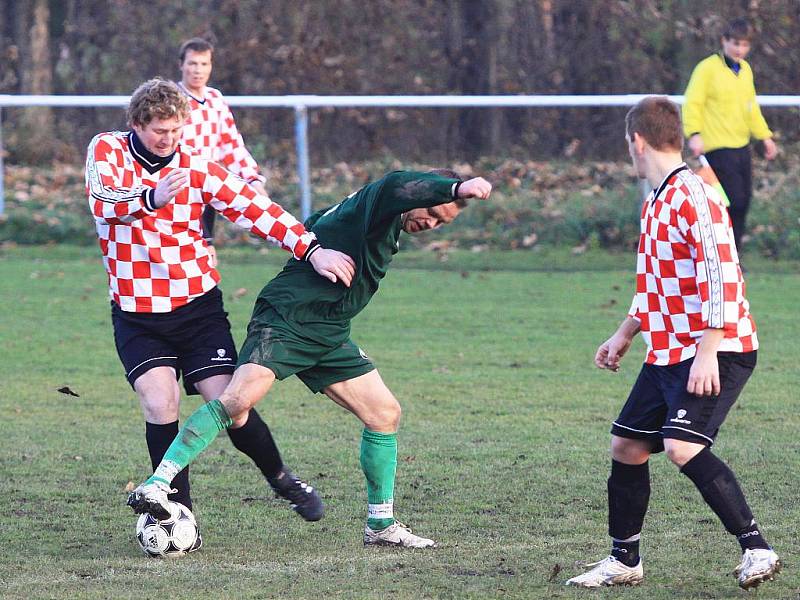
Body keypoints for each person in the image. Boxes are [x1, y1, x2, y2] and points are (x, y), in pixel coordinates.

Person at [127, 169, 492, 548]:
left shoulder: (360, 211)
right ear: (420, 195)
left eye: (439, 223)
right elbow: (394, 182)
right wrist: (458, 187)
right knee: (235, 403)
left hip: (328, 330)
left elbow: (314, 225)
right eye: (431, 214)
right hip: (288, 319)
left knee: (385, 414)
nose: (429, 225)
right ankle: (157, 485)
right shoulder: (381, 202)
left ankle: (381, 525)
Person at [86, 78, 355, 542]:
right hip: (137, 312)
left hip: (197, 309)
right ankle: (176, 509)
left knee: (231, 406)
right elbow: (103, 201)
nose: (167, 140)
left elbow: (258, 211)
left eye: (175, 131)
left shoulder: (198, 169)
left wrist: (311, 249)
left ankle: (281, 479)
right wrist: (151, 198)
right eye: (158, 132)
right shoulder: (108, 150)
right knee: (159, 401)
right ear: (136, 125)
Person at [565, 97, 779, 590]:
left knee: (681, 447)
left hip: (717, 350)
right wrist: (625, 332)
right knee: (627, 445)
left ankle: (758, 549)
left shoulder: (696, 196)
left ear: (635, 141)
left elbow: (722, 276)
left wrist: (709, 348)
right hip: (670, 351)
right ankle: (624, 561)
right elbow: (661, 282)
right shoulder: (658, 197)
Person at [682, 17, 778, 252]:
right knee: (730, 201)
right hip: (717, 148)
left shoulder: (745, 70)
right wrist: (694, 133)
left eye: (744, 45)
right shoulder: (707, 69)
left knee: (744, 202)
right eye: (735, 43)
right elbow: (693, 102)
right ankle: (721, 252)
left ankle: (732, 254)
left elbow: (751, 108)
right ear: (724, 41)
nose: (739, 49)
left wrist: (765, 137)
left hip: (741, 147)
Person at [176, 37, 269, 266]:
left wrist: (253, 179)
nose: (198, 70)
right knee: (188, 255)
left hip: (207, 189)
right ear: (182, 65)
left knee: (204, 256)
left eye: (204, 64)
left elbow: (231, 145)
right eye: (192, 64)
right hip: (179, 190)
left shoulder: (215, 99)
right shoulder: (173, 99)